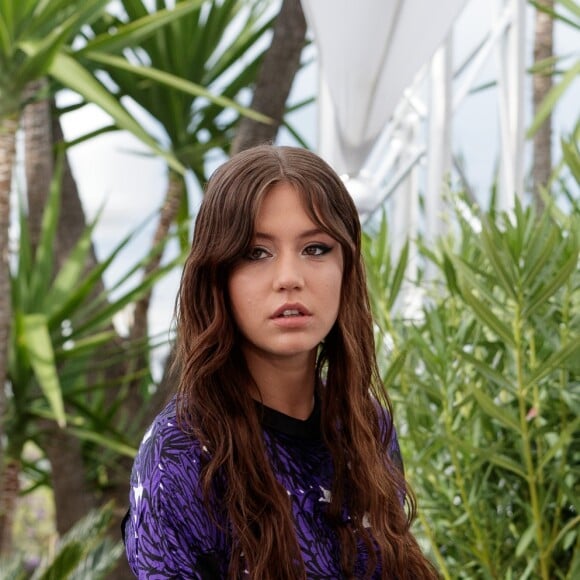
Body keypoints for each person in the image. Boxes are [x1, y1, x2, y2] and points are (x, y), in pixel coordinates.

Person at [123, 144, 438, 579]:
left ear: (346, 268)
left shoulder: (368, 429)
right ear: (217, 277)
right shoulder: (181, 454)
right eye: (256, 253)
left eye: (315, 248)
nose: (290, 277)